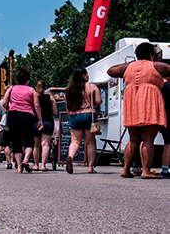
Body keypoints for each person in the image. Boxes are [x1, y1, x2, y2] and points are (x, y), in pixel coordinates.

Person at [107, 42, 170, 179]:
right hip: (149, 103)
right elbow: (167, 69)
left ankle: (125, 169)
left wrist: (129, 65)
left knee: (134, 139)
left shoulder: (129, 67)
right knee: (148, 139)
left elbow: (110, 70)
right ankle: (146, 171)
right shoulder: (156, 66)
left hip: (132, 105)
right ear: (150, 55)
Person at [1, 67, 43, 174]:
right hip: (28, 115)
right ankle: (26, 160)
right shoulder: (31, 90)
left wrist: (10, 109)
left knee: (16, 142)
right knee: (29, 140)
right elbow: (37, 106)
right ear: (27, 80)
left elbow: (4, 103)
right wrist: (40, 120)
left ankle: (19, 168)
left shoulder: (11, 89)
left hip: (13, 115)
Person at [65, 67, 101, 174]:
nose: (88, 76)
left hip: (74, 115)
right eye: (87, 74)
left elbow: (67, 106)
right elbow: (99, 101)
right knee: (90, 142)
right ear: (83, 76)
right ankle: (90, 167)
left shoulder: (69, 89)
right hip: (88, 114)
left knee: (75, 142)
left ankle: (70, 157)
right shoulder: (91, 86)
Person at [32, 80, 57, 171]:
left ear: (36, 87)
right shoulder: (50, 98)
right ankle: (43, 165)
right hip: (48, 122)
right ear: (45, 88)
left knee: (36, 145)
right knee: (45, 144)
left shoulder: (33, 98)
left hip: (36, 122)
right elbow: (54, 112)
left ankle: (35, 165)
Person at [0, 86, 13, 169]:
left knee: (6, 145)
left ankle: (9, 162)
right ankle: (15, 161)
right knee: (16, 144)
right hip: (14, 125)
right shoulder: (14, 102)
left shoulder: (0, 103)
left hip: (4, 126)